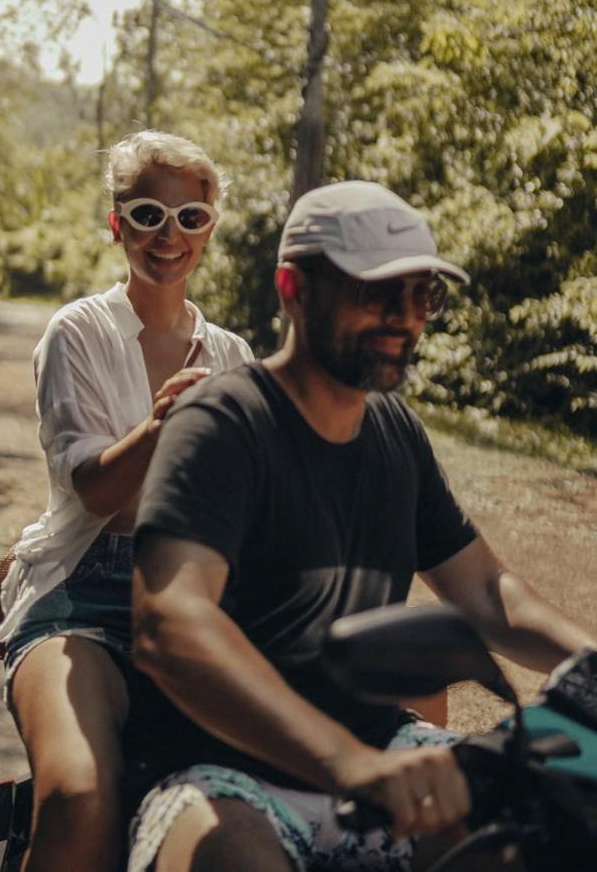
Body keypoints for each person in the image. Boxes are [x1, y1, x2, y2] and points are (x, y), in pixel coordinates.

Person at [127, 181, 596, 872]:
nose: (402, 317)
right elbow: (169, 621)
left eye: (421, 296)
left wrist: (589, 664)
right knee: (233, 859)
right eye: (373, 293)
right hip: (222, 773)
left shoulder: (393, 431)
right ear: (292, 287)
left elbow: (488, 593)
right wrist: (343, 763)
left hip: (383, 753)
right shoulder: (225, 424)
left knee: (545, 827)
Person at [0, 131, 254, 872]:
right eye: (147, 215)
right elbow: (96, 489)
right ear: (117, 224)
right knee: (78, 796)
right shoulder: (76, 332)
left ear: (209, 227)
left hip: (193, 595)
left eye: (189, 219)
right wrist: (162, 424)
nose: (168, 236)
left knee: (254, 796)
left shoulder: (232, 355)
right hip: (78, 591)